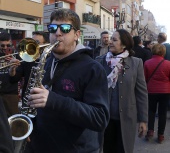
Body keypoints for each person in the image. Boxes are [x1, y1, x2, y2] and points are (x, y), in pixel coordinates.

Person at [24, 8, 109, 153]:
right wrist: (29, 122)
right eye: (52, 28)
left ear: (77, 34)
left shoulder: (93, 68)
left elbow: (99, 118)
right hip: (40, 146)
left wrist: (53, 100)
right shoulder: (45, 62)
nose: (57, 33)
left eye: (64, 28)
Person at [96, 29, 148, 153]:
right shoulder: (99, 61)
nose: (110, 42)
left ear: (124, 44)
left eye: (114, 40)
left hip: (126, 119)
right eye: (110, 39)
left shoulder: (136, 63)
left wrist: (143, 120)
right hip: (104, 118)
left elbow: (141, 93)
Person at [8, 31, 49, 107]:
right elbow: (14, 79)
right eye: (32, 42)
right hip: (28, 101)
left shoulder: (51, 60)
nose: (33, 45)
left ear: (46, 44)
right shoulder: (28, 59)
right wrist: (12, 70)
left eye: (37, 42)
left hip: (44, 102)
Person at [144, 43, 170, 144]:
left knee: (151, 111)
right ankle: (160, 135)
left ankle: (150, 131)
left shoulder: (147, 63)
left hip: (151, 90)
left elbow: (144, 78)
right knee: (162, 113)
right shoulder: (168, 63)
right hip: (165, 91)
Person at [0, 32, 19, 117]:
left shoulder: (17, 56)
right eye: (2, 46)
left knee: (12, 121)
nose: (5, 48)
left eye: (8, 45)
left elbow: (15, 78)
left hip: (11, 95)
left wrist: (13, 68)